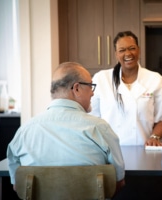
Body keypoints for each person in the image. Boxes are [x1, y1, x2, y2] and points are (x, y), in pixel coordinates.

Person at [7, 62, 125, 192]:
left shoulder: (25, 130)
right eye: (91, 86)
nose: (92, 93)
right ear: (77, 88)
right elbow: (117, 181)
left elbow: (17, 185)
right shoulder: (99, 128)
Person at [89, 31, 162, 146]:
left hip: (143, 148)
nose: (128, 53)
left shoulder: (156, 80)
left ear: (139, 50)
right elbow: (92, 118)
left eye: (132, 48)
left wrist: (154, 137)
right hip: (109, 150)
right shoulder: (101, 79)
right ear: (116, 54)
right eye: (122, 50)